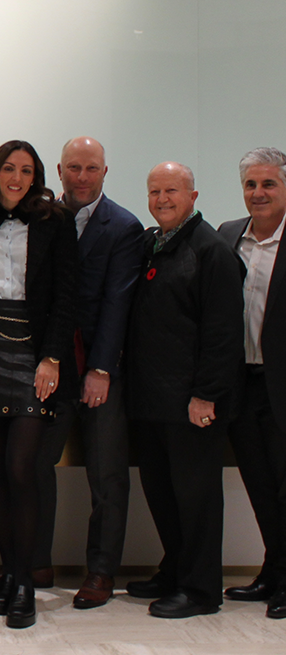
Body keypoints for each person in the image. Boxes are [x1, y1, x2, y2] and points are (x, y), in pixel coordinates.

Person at [0, 140, 78, 629]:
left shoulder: (55, 222)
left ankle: (26, 579)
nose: (17, 178)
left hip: (34, 355)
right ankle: (8, 572)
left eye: (27, 171)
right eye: (9, 168)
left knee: (21, 467)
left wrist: (52, 357)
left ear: (36, 177)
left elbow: (68, 294)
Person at [125, 161, 243, 619]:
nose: (162, 200)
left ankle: (200, 590)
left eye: (172, 191)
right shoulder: (153, 245)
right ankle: (175, 570)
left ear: (193, 197)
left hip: (193, 404)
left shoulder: (211, 251)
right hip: (153, 400)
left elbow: (223, 333)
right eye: (155, 192)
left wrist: (206, 394)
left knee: (196, 500)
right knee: (163, 494)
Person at [29, 137, 143, 609]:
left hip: (98, 371)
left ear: (105, 172)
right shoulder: (41, 218)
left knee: (107, 476)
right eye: (73, 167)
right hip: (51, 368)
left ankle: (101, 571)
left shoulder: (124, 227)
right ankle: (35, 562)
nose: (81, 176)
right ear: (59, 171)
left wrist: (100, 368)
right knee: (35, 466)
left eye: (91, 168)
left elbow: (118, 303)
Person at [217, 148, 286, 618]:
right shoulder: (227, 236)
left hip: (282, 384)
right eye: (250, 184)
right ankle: (272, 571)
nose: (258, 193)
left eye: (268, 184)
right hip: (242, 382)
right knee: (259, 485)